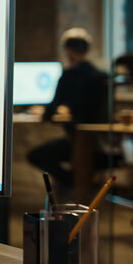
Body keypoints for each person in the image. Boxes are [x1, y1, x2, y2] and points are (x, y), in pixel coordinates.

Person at [27, 27, 109, 191]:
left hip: (79, 143)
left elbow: (51, 112)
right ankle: (78, 184)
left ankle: (73, 183)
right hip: (103, 145)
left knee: (35, 156)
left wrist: (44, 111)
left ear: (69, 51)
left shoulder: (69, 76)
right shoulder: (101, 76)